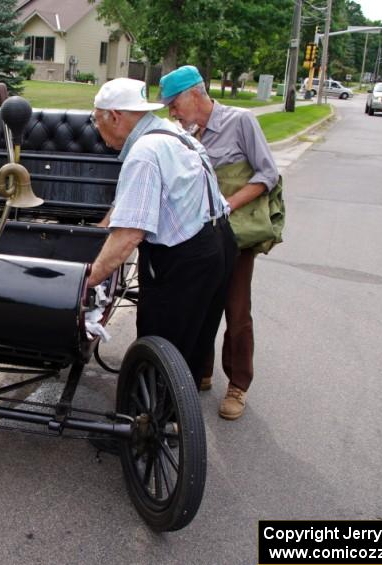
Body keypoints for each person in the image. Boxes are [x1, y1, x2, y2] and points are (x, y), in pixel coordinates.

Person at [86, 78, 237, 390]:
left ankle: (141, 429)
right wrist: (96, 235)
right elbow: (132, 202)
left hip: (185, 258)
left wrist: (85, 281)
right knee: (193, 343)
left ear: (114, 116)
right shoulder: (175, 133)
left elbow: (129, 235)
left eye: (96, 120)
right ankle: (180, 418)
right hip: (220, 242)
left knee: (160, 346)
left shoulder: (144, 151)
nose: (97, 129)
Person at [160, 65, 281, 420]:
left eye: (174, 104)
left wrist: (227, 205)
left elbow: (268, 173)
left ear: (195, 95)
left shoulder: (241, 122)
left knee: (236, 308)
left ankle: (238, 384)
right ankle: (202, 370)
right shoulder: (181, 132)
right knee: (199, 302)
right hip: (197, 233)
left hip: (235, 231)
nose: (171, 112)